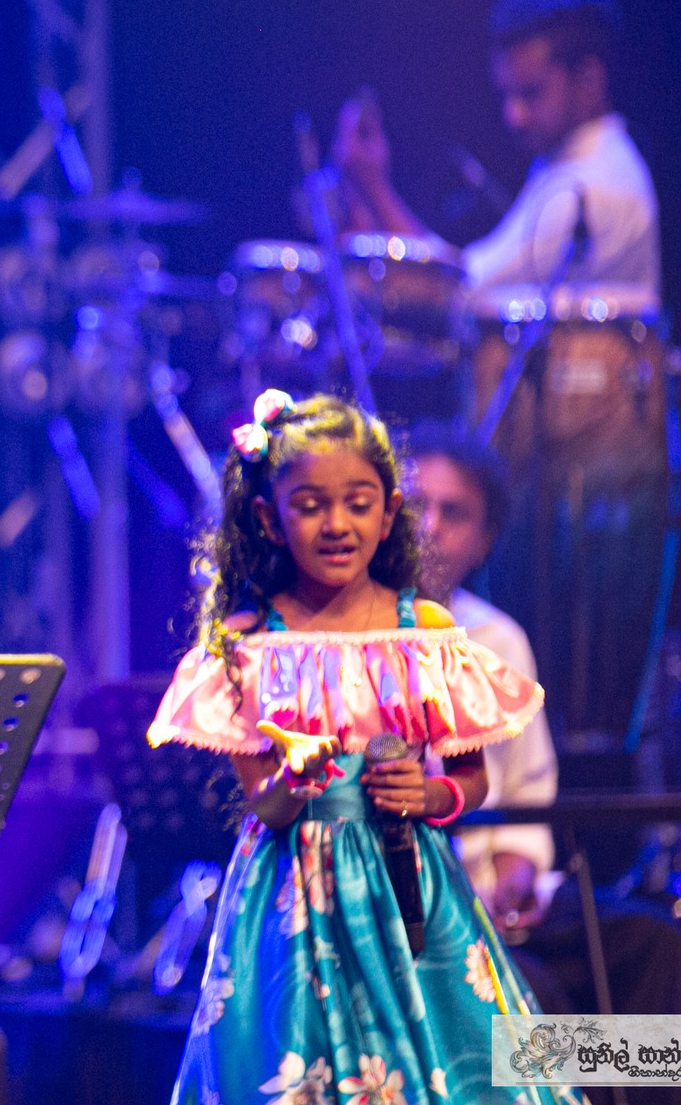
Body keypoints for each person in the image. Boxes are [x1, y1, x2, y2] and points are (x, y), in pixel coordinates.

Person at [147, 390, 569, 1104]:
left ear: (388, 510)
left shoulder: (425, 632)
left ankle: (677, 1059)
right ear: (269, 518)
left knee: (444, 1061)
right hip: (292, 900)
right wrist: (293, 780)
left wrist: (430, 793)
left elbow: (472, 778)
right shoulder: (250, 647)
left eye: (358, 503)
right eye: (310, 505)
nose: (337, 524)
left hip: (409, 886)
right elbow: (263, 804)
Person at [403, 425, 681, 1023]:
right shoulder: (358, 638)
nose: (429, 527)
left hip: (502, 899)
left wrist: (515, 869)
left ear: (485, 541)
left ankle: (664, 1075)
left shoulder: (496, 639)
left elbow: (527, 788)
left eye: (453, 513)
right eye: (415, 505)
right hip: (420, 906)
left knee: (654, 948)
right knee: (540, 998)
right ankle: (577, 1070)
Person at [336, 0, 660, 316]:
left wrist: (375, 189)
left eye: (530, 93)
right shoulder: (568, 161)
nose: (513, 115)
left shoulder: (591, 187)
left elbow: (454, 293)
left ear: (589, 79)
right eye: (506, 95)